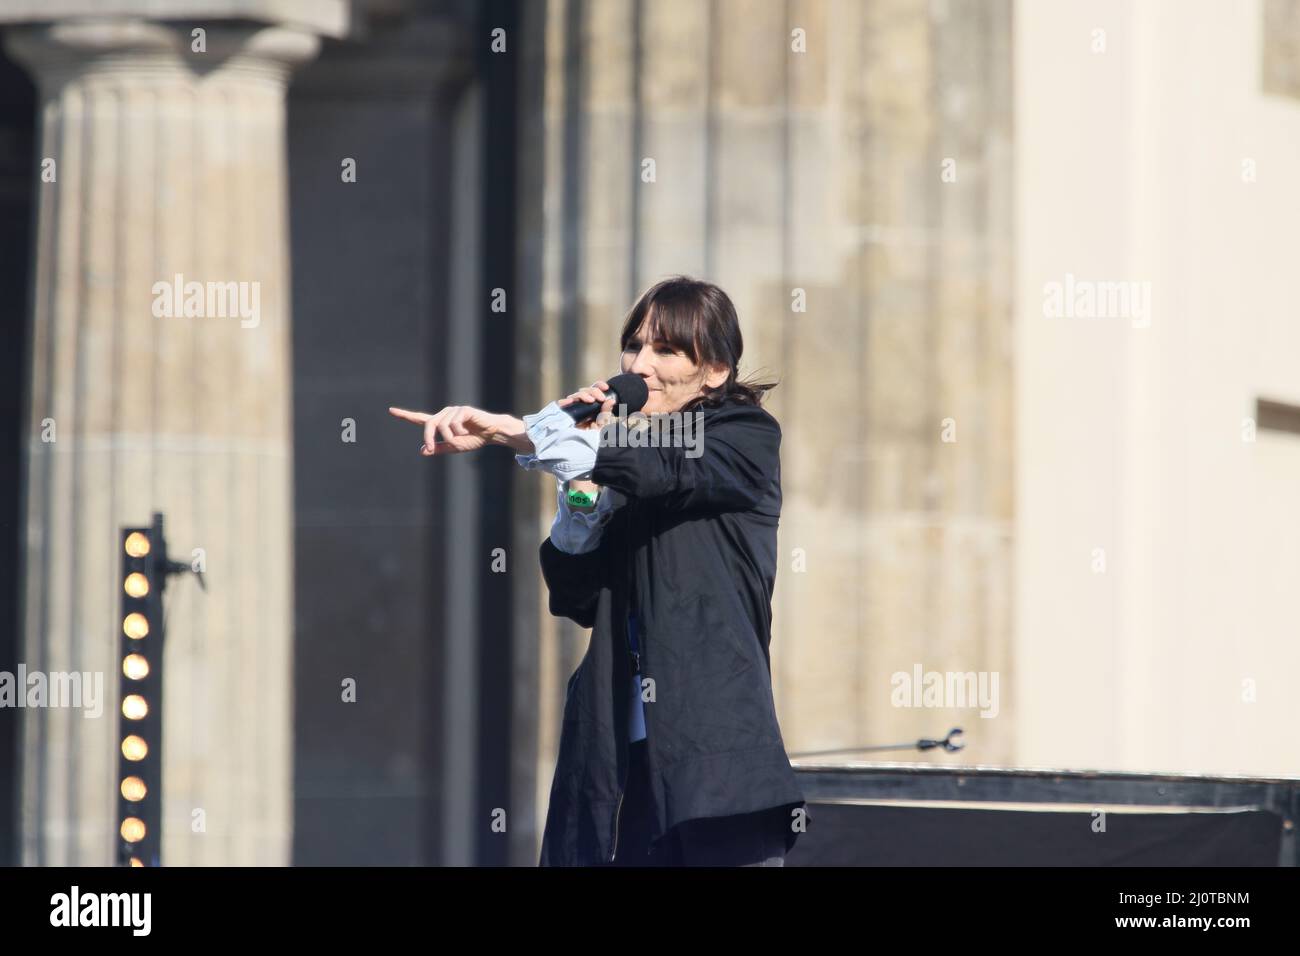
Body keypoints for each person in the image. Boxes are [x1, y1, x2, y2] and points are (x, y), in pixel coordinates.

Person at [389, 275, 808, 866]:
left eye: (666, 350)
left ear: (714, 370)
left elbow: (670, 468)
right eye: (633, 346)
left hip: (713, 763)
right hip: (617, 756)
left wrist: (523, 431)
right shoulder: (629, 460)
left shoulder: (742, 437)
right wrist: (582, 491)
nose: (641, 365)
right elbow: (577, 597)